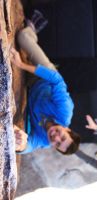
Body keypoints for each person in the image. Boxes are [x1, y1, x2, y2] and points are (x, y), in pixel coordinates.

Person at [11, 14, 80, 155]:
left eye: (57, 144)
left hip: (28, 88)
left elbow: (30, 145)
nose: (56, 137)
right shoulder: (65, 110)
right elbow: (57, 80)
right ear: (68, 130)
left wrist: (21, 145)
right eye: (63, 137)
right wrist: (21, 64)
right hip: (43, 77)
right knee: (22, 37)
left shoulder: (44, 140)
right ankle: (32, 30)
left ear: (54, 147)